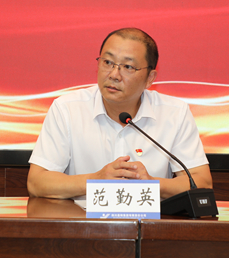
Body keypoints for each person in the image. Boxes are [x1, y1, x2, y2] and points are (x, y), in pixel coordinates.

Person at [27, 27, 212, 200]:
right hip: (82, 220)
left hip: (149, 222)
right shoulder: (67, 109)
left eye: (128, 67)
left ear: (150, 78)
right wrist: (96, 180)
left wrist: (151, 184)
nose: (114, 75)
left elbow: (202, 182)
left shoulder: (174, 113)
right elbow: (37, 182)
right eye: (108, 62)